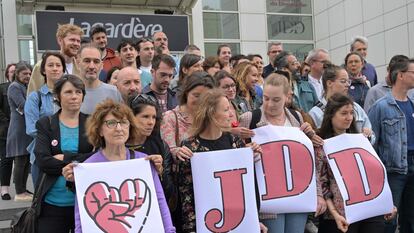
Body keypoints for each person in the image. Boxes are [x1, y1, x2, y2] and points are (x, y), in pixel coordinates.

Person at [62, 99, 175, 233]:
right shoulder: (89, 167)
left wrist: (170, 230)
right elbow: (81, 214)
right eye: (111, 123)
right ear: (100, 131)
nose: (119, 128)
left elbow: (159, 201)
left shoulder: (143, 162)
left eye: (123, 122)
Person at [238, 73, 325, 233]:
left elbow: (307, 161)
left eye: (276, 99)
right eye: (265, 98)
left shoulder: (297, 118)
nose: (269, 104)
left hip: (297, 195)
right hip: (267, 197)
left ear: (287, 96)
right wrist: (246, 152)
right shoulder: (249, 118)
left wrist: (318, 193)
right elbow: (232, 154)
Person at [177, 88, 264, 232]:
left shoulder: (235, 141)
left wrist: (255, 219)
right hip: (207, 224)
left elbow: (248, 188)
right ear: (211, 114)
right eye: (225, 110)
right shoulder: (189, 147)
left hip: (239, 224)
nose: (231, 114)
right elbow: (187, 195)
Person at [317, 93, 396, 233]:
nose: (349, 118)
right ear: (331, 116)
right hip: (341, 214)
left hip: (369, 210)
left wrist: (386, 203)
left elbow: (374, 174)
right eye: (344, 113)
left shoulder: (360, 140)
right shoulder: (322, 144)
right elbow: (322, 185)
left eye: (351, 113)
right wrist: (335, 214)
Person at [34, 74, 94, 232]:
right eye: (68, 92)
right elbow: (43, 161)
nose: (74, 96)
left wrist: (65, 157)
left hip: (86, 203)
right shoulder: (45, 124)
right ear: (57, 96)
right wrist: (81, 162)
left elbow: (98, 159)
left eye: (78, 92)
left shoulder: (92, 123)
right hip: (52, 205)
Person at [368, 58, 414, 233]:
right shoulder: (381, 107)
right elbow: (372, 143)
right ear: (401, 75)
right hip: (392, 171)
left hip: (412, 166)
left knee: (411, 218)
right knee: (388, 219)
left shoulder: (412, 104)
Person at [127, 94, 174, 208]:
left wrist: (160, 172)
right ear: (131, 118)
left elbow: (169, 192)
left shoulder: (161, 146)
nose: (151, 122)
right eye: (145, 116)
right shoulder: (116, 145)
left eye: (153, 117)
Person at [25, 52, 65, 186]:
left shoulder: (69, 95)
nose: (55, 68)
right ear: (43, 70)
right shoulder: (35, 98)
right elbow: (31, 129)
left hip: (66, 154)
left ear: (63, 69)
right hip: (42, 155)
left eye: (58, 65)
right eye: (51, 65)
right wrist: (55, 138)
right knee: (42, 198)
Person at [161, 72, 215, 161]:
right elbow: (167, 151)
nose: (201, 100)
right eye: (196, 95)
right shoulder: (170, 118)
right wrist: (178, 151)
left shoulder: (212, 116)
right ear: (186, 93)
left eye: (206, 97)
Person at [308, 63, 372, 134]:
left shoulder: (356, 107)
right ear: (329, 83)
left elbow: (372, 135)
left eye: (348, 81)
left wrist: (369, 136)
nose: (347, 85)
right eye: (343, 81)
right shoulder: (315, 113)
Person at [28, 24, 82, 95]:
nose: (76, 44)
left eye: (78, 41)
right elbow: (31, 95)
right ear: (60, 40)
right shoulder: (42, 66)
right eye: (72, 40)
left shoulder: (81, 68)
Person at [6, 61, 33, 201]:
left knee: (26, 159)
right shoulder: (15, 87)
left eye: (29, 73)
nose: (28, 76)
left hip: (25, 127)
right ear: (17, 74)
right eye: (24, 73)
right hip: (19, 128)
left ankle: (23, 190)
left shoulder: (24, 86)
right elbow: (23, 105)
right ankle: (19, 192)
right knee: (20, 160)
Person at [78, 44, 123, 114]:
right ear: (78, 63)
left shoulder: (114, 92)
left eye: (96, 61)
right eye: (87, 61)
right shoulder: (69, 92)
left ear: (102, 65)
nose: (91, 66)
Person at [214, 70, 254, 139]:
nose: (231, 89)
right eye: (226, 87)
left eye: (233, 85)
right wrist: (231, 131)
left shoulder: (241, 104)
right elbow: (210, 130)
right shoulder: (213, 108)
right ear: (216, 89)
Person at [0, 63, 15, 200]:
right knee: (6, 159)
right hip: (5, 130)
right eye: (11, 71)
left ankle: (21, 189)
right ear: (7, 74)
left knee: (24, 160)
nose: (14, 73)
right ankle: (4, 189)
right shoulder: (2, 88)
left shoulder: (25, 89)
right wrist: (6, 123)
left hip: (20, 130)